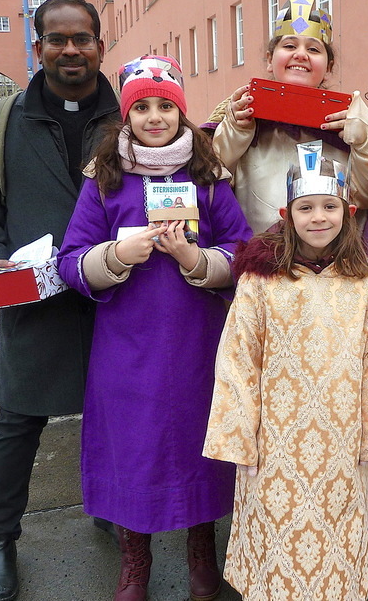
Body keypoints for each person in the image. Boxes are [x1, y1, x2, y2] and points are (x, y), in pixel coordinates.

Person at [56, 55, 251, 600]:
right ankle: (135, 562)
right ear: (126, 116)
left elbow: (243, 250)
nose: (155, 116)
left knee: (200, 447)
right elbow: (70, 260)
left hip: (197, 342)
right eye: (141, 106)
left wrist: (194, 259)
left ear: (182, 114)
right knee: (133, 451)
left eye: (166, 106)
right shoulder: (104, 181)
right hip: (127, 347)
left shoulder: (210, 178)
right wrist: (116, 253)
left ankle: (201, 553)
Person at [0, 0, 120, 601]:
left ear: (100, 45)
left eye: (82, 38)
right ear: (39, 48)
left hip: (115, 295)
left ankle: (113, 506)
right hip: (35, 299)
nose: (71, 50)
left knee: (117, 413)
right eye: (58, 40)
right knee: (18, 421)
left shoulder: (129, 115)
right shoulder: (1, 123)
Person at [202, 155, 368, 600]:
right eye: (306, 208)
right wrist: (239, 434)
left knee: (336, 535)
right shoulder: (262, 280)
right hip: (275, 441)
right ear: (286, 216)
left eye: (329, 207)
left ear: (348, 212)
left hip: (342, 437)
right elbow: (239, 358)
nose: (319, 217)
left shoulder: (367, 280)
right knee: (278, 533)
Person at [203, 0, 368, 240]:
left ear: (329, 65)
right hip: (260, 260)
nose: (301, 54)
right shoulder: (239, 112)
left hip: (329, 263)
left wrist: (365, 143)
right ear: (269, 61)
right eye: (290, 46)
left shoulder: (350, 118)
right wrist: (236, 130)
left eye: (313, 49)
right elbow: (214, 182)